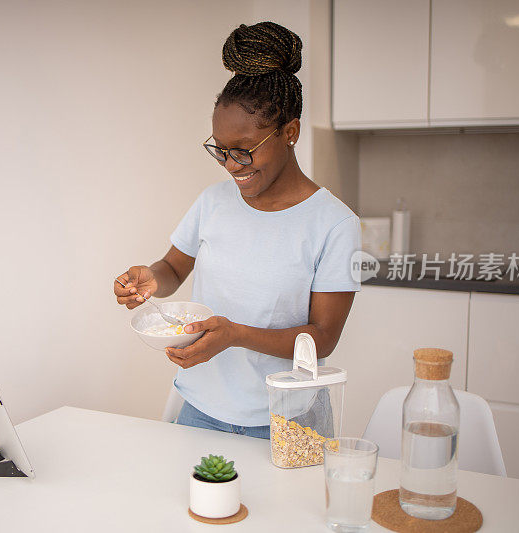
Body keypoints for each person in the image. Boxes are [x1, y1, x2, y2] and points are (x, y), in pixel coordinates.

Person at [113, 21, 360, 439]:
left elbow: (322, 339)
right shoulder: (213, 202)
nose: (231, 165)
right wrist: (151, 278)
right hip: (201, 407)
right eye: (221, 151)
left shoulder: (335, 224)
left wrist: (235, 336)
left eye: (244, 151)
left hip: (286, 417)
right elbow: (174, 267)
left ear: (290, 133)